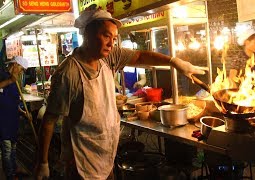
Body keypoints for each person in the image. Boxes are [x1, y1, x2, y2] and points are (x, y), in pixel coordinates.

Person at [34, 9, 205, 180]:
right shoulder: (68, 73)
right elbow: (49, 120)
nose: (111, 43)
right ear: (88, 34)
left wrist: (173, 62)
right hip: (81, 159)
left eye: (114, 39)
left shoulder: (108, 57)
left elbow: (139, 56)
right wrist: (43, 162)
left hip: (105, 153)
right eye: (106, 36)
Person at [0, 56, 28, 180]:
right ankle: (10, 175)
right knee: (6, 151)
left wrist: (23, 112)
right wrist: (10, 80)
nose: (21, 73)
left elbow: (14, 102)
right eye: (21, 69)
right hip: (3, 120)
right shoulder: (3, 75)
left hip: (13, 120)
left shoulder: (16, 81)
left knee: (13, 148)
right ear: (15, 65)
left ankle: (14, 168)